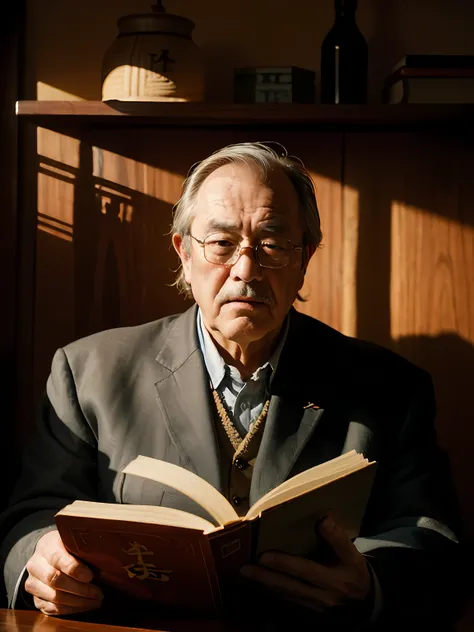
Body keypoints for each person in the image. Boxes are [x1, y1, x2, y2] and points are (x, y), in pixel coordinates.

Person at [0, 142, 462, 629]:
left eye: (272, 244)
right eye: (221, 244)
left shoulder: (389, 386)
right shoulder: (88, 371)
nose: (246, 269)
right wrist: (42, 558)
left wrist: (371, 582)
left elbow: (429, 534)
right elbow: (31, 515)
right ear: (184, 253)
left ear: (304, 258)